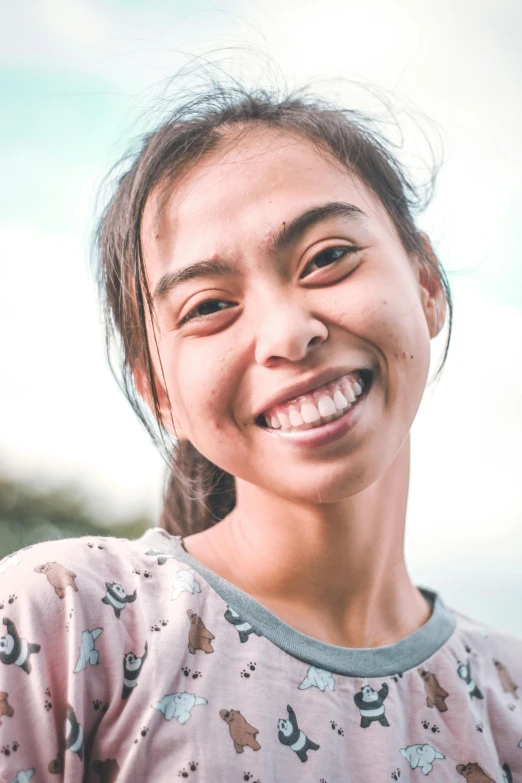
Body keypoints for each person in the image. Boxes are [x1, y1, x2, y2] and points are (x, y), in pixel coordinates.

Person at [1, 74, 521, 783]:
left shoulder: (509, 698)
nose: (287, 334)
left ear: (426, 283)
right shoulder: (60, 623)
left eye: (328, 257)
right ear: (161, 393)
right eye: (209, 305)